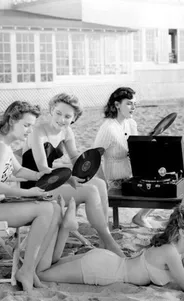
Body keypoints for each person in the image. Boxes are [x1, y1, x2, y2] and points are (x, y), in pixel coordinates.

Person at [36, 202, 184, 292]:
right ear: (183, 232)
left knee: (48, 265)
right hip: (103, 271)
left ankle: (65, 228)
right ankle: (62, 227)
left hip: (107, 261)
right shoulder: (170, 252)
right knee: (42, 274)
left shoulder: (181, 250)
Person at [21, 93, 124, 258]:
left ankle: (104, 238)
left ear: (74, 118)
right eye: (58, 113)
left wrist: (88, 165)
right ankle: (110, 242)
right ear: (51, 111)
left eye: (68, 116)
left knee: (98, 184)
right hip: (35, 185)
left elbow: (75, 156)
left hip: (53, 180)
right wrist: (69, 174)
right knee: (90, 192)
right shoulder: (37, 132)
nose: (62, 119)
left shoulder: (66, 131)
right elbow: (43, 167)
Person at [0, 101, 63, 293]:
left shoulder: (6, 146)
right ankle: (27, 271)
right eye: (26, 125)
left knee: (54, 208)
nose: (29, 131)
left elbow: (17, 170)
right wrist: (28, 193)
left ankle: (30, 268)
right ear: (11, 120)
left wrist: (39, 176)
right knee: (45, 209)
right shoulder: (1, 147)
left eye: (31, 126)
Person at [93, 87, 154, 228]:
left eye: (135, 104)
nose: (133, 107)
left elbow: (135, 153)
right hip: (114, 182)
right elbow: (94, 158)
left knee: (164, 181)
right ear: (116, 105)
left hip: (130, 178)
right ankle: (140, 217)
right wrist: (104, 185)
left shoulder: (130, 123)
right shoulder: (108, 128)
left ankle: (141, 216)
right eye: (129, 103)